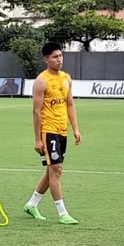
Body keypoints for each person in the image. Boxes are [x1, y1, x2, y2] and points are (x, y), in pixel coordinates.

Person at [23, 41, 82, 224]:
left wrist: (76, 129)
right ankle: (62, 213)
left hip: (62, 130)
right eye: (55, 57)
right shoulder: (41, 81)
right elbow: (36, 111)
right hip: (48, 131)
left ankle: (32, 204)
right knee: (56, 170)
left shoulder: (66, 78)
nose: (59, 59)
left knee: (52, 170)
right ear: (46, 59)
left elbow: (70, 104)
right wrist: (37, 139)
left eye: (61, 55)